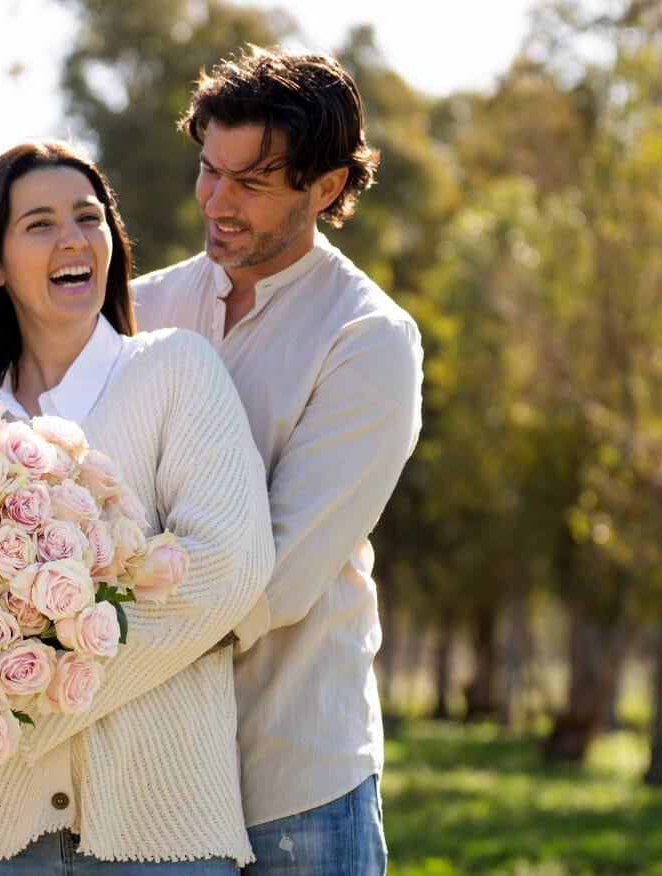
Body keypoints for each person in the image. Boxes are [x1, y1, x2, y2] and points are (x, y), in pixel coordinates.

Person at [0, 139, 274, 873]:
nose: (74, 239)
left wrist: (27, 697)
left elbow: (227, 568)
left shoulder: (178, 371)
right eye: (40, 224)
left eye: (89, 217)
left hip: (162, 829)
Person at [134, 45, 424, 875]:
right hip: (142, 780)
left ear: (326, 188)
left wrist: (80, 638)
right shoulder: (141, 307)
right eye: (208, 170)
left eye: (250, 184)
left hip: (292, 780)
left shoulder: (367, 342)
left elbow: (275, 579)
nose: (215, 202)